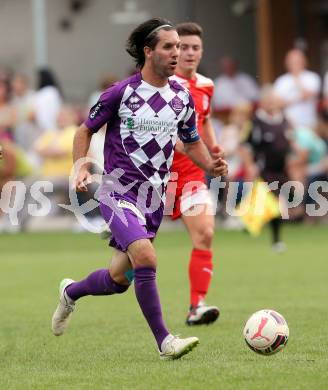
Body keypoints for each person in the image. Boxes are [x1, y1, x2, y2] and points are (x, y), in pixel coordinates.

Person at [51, 18, 228, 360]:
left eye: (179, 46)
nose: (176, 53)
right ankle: (165, 342)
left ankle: (70, 292)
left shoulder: (182, 96)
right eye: (168, 47)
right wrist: (80, 166)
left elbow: (191, 143)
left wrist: (211, 165)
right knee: (146, 256)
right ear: (148, 52)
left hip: (152, 200)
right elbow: (83, 131)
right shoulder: (122, 92)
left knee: (119, 279)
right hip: (118, 191)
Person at [166, 22, 220, 325]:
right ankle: (77, 290)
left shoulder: (206, 85)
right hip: (155, 179)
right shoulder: (163, 85)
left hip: (189, 177)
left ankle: (197, 306)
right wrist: (179, 144)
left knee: (206, 234)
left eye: (194, 47)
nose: (188, 53)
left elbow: (205, 118)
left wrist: (213, 147)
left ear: (201, 51)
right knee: (130, 264)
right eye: (182, 47)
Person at [240, 87, 292, 251]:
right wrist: (250, 165)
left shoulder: (284, 120)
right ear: (262, 103)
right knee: (275, 204)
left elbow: (289, 142)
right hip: (264, 170)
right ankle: (276, 240)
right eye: (268, 100)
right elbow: (245, 145)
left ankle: (250, 222)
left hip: (282, 170)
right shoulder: (255, 122)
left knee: (273, 204)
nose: (271, 104)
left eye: (274, 100)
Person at [273, 49, 320, 129]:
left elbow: (307, 95)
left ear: (304, 61)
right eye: (291, 61)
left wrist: (297, 79)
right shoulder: (281, 81)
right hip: (288, 125)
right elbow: (276, 103)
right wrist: (298, 98)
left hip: (309, 124)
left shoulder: (312, 77)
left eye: (297, 61)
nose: (294, 64)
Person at [212, 56, 259, 122]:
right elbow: (217, 103)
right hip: (226, 117)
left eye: (230, 65)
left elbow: (255, 96)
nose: (228, 68)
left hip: (247, 114)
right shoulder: (218, 83)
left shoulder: (246, 79)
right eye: (226, 66)